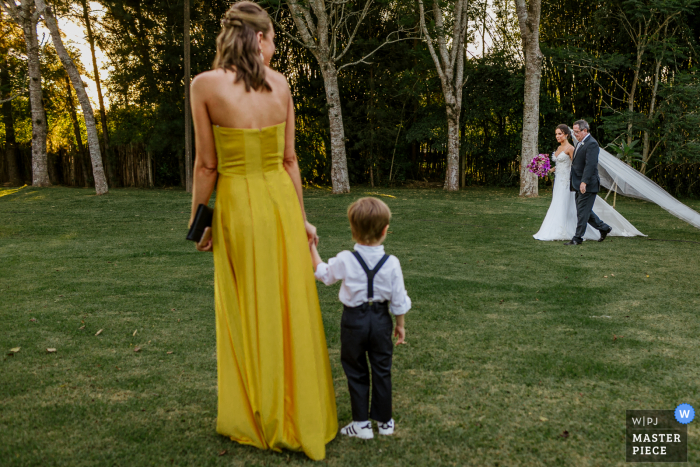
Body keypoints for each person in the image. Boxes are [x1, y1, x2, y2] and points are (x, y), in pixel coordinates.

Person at [187, 2, 336, 460]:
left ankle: (259, 410)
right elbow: (290, 161)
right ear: (258, 38)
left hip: (238, 206)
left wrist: (199, 223)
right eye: (272, 37)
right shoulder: (282, 85)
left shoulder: (205, 85)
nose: (275, 46)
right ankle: (294, 408)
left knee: (247, 306)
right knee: (286, 303)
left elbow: (208, 164)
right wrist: (300, 217)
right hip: (278, 203)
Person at [309, 197, 411, 440]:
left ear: (353, 231)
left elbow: (324, 274)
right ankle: (385, 422)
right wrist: (400, 325)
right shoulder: (392, 263)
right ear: (386, 230)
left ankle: (362, 424)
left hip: (353, 321)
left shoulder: (346, 258)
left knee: (355, 369)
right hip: (381, 321)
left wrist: (310, 246)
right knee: (382, 369)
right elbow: (399, 298)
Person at [533, 123, 644, 241]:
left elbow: (587, 165)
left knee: (581, 211)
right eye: (574, 132)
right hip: (563, 181)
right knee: (581, 210)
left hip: (575, 182)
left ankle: (577, 237)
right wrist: (547, 169)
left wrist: (583, 181)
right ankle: (603, 227)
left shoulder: (588, 144)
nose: (574, 134)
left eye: (576, 132)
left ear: (583, 130)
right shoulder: (580, 144)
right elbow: (569, 164)